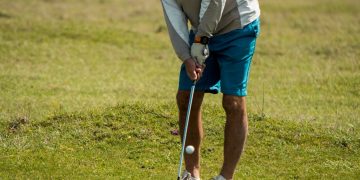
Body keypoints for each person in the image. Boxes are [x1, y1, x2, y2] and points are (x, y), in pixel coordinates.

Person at [160, 0, 260, 179]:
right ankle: (191, 173)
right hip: (201, 31)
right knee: (186, 96)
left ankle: (225, 176)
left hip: (238, 26)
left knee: (233, 101)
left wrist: (201, 39)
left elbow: (215, 2)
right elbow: (173, 17)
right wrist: (186, 57)